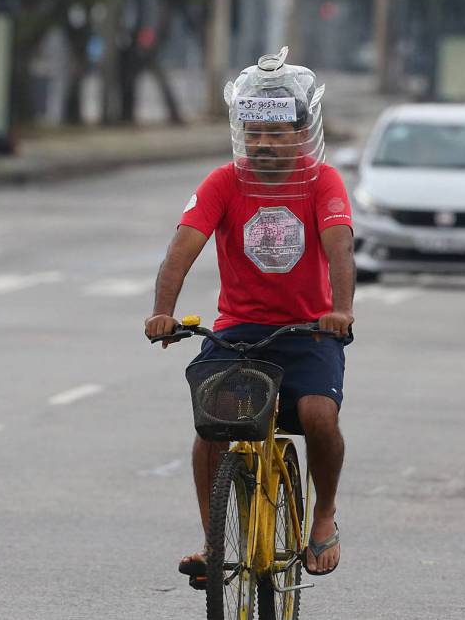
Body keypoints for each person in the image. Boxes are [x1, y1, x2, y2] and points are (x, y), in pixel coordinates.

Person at [143, 48, 355, 580]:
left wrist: (340, 310)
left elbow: (340, 249)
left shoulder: (322, 181)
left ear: (301, 132)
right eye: (253, 132)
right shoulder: (224, 182)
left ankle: (324, 514)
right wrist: (163, 313)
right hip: (239, 331)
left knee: (319, 417)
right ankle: (214, 542)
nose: (263, 143)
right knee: (211, 426)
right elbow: (181, 249)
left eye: (275, 133)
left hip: (309, 332)